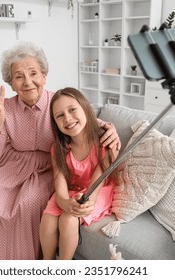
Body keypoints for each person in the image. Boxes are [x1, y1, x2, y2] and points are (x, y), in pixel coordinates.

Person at [0, 41, 121, 260]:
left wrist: (112, 130)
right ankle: (1, 253)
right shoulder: (6, 108)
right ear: (11, 83)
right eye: (19, 76)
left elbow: (87, 122)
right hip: (14, 164)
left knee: (29, 200)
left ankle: (28, 259)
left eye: (33, 73)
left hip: (49, 165)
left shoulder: (59, 102)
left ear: (44, 76)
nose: (28, 82)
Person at [39, 87, 119, 260]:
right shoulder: (58, 148)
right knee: (47, 219)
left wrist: (83, 203)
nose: (67, 118)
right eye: (59, 115)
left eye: (72, 110)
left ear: (85, 108)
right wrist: (64, 202)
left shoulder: (103, 141)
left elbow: (96, 185)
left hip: (96, 191)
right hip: (71, 191)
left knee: (68, 220)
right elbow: (59, 186)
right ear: (55, 123)